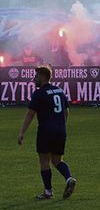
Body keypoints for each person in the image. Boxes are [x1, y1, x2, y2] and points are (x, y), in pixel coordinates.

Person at [17, 65, 77, 199]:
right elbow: (66, 111)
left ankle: (48, 192)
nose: (34, 79)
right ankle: (69, 178)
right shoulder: (59, 91)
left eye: (36, 76)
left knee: (44, 160)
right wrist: (61, 125)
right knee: (57, 160)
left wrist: (21, 133)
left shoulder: (39, 93)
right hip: (61, 130)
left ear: (43, 77)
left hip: (46, 130)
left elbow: (30, 114)